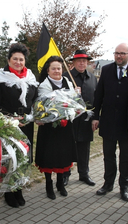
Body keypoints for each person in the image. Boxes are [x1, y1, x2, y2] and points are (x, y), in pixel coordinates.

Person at [0, 43, 39, 208]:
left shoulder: (30, 78)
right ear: (9, 60)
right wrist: (11, 118)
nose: (18, 62)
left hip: (26, 123)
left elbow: (34, 101)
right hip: (9, 124)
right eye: (15, 59)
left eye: (21, 59)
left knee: (23, 157)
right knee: (10, 158)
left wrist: (30, 116)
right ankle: (9, 192)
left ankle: (19, 189)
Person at [92, 43, 128, 201]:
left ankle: (124, 186)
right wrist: (96, 116)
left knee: (125, 157)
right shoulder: (106, 70)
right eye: (116, 53)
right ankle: (108, 183)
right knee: (108, 155)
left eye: (122, 53)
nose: (119, 56)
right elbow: (99, 95)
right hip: (108, 121)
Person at [35, 56, 77, 200]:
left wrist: (76, 97)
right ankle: (48, 185)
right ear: (48, 70)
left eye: (59, 68)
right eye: (53, 68)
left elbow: (72, 101)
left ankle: (60, 184)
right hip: (49, 127)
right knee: (49, 156)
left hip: (65, 127)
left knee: (62, 155)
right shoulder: (43, 86)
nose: (56, 71)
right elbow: (44, 104)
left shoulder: (68, 83)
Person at [63, 49, 97, 187]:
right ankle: (65, 175)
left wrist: (96, 117)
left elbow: (97, 99)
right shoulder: (66, 77)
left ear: (87, 62)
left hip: (86, 120)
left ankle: (84, 174)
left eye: (84, 61)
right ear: (74, 62)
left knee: (84, 148)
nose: (82, 63)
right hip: (70, 119)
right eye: (79, 61)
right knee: (68, 147)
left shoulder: (93, 78)